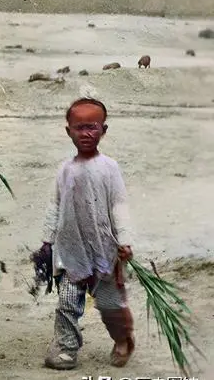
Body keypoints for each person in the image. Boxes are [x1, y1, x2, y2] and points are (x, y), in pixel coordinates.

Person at [37, 98, 135, 370]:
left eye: (92, 127)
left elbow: (119, 205)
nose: (86, 133)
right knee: (67, 302)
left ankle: (123, 340)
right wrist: (47, 241)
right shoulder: (64, 170)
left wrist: (125, 241)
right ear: (68, 131)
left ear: (104, 130)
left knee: (110, 303)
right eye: (79, 127)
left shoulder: (109, 168)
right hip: (71, 249)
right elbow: (54, 205)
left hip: (106, 250)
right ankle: (66, 349)